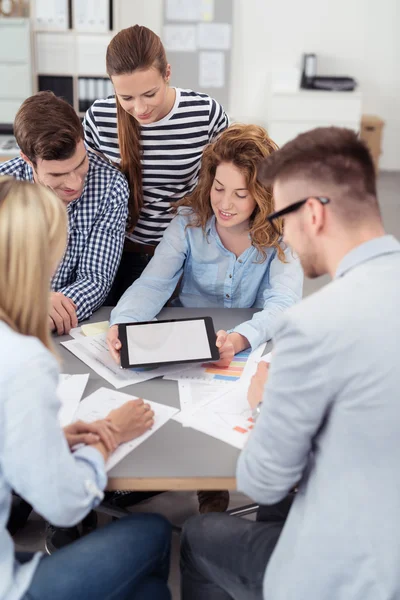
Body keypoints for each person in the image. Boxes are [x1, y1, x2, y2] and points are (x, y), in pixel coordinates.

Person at [179, 126, 400, 600]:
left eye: (281, 214)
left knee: (199, 538)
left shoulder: (313, 324)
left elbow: (263, 479)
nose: (281, 231)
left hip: (348, 573)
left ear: (314, 214)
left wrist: (264, 401)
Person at [106, 123, 303, 514]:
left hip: (248, 345)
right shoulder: (187, 224)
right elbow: (152, 285)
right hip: (188, 342)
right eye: (218, 187)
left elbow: (284, 304)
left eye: (240, 193)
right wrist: (122, 325)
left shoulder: (283, 232)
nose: (224, 203)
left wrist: (239, 340)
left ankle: (215, 491)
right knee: (165, 404)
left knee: (235, 417)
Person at [0, 176, 171, 600]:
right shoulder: (22, 360)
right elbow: (64, 505)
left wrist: (50, 440)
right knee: (154, 530)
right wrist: (108, 436)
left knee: (150, 594)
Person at [83, 24, 228, 300]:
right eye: (125, 97)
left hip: (188, 258)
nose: (139, 108)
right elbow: (87, 194)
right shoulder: (99, 119)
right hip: (118, 258)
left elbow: (230, 181)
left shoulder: (205, 114)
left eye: (149, 94)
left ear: (167, 74)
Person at [0, 91, 129, 335]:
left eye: (80, 164)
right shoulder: (4, 187)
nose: (75, 184)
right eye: (57, 175)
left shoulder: (111, 187)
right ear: (28, 160)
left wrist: (50, 312)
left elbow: (95, 279)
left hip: (68, 331)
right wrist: (31, 306)